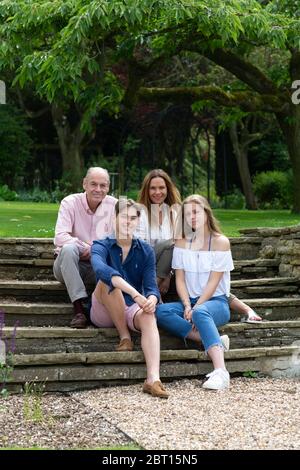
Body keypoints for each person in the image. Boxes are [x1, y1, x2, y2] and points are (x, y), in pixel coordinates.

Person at [136, 169, 262, 322]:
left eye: (161, 188)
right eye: (153, 188)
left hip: (171, 268)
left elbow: (185, 248)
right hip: (146, 265)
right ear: (146, 190)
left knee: (207, 283)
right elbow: (141, 249)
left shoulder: (177, 213)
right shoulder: (140, 213)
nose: (157, 192)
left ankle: (247, 309)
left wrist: (169, 276)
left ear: (168, 189)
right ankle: (151, 291)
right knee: (172, 245)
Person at [90, 198, 169, 399]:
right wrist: (135, 293)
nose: (128, 222)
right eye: (124, 217)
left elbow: (151, 286)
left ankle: (153, 379)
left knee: (149, 315)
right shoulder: (101, 245)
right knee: (108, 282)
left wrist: (151, 298)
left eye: (133, 218)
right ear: (114, 219)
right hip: (104, 309)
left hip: (131, 308)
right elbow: (101, 270)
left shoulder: (145, 251)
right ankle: (125, 337)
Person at [156, 194, 236, 390]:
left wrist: (197, 306)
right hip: (190, 302)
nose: (191, 217)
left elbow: (213, 282)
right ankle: (210, 339)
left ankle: (221, 372)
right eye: (187, 214)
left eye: (195, 212)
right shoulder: (182, 243)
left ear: (206, 213)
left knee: (201, 313)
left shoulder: (221, 242)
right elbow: (180, 279)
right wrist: (186, 305)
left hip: (216, 303)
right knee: (160, 311)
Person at [53, 167, 117, 329]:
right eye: (93, 184)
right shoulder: (70, 202)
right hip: (68, 266)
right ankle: (79, 310)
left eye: (103, 185)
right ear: (84, 184)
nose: (98, 189)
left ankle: (97, 308)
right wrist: (86, 247)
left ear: (108, 187)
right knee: (68, 249)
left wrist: (96, 250)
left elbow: (120, 239)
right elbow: (60, 237)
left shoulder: (114, 206)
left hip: (98, 266)